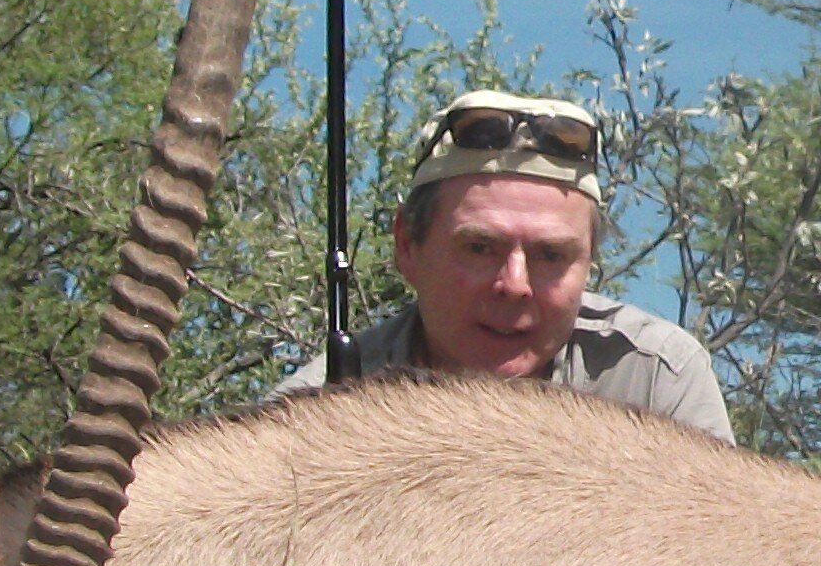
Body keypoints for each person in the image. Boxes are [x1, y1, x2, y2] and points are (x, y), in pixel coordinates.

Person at [280, 89, 734, 441]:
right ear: (407, 246)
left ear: (588, 263)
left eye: (551, 256)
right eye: (480, 248)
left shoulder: (657, 379)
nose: (515, 285)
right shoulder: (316, 402)